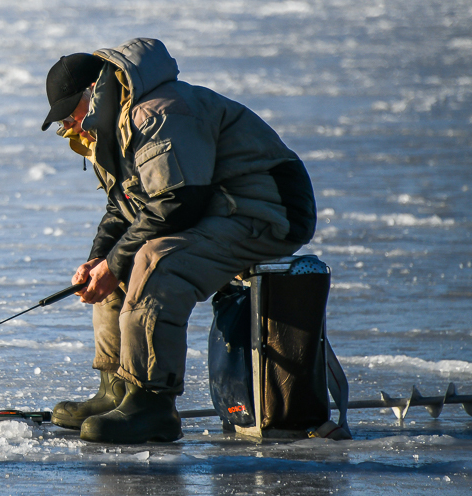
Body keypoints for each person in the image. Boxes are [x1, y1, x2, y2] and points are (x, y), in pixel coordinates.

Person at [40, 38, 315, 443]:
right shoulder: (114, 125)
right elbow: (126, 208)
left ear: (92, 95)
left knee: (154, 262)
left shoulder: (159, 113)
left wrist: (115, 263)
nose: (68, 126)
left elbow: (178, 202)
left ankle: (151, 403)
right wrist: (99, 260)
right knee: (121, 261)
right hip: (213, 207)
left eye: (69, 115)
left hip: (265, 209)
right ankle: (117, 389)